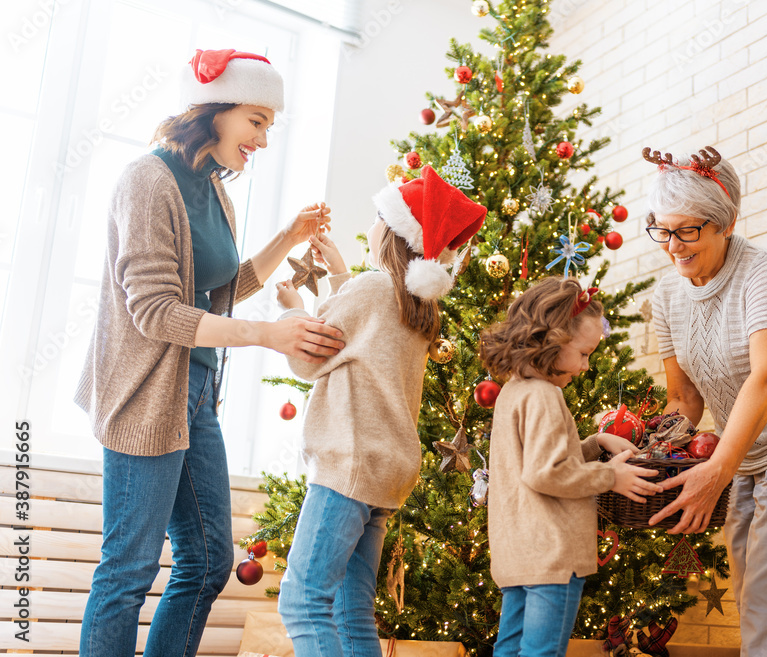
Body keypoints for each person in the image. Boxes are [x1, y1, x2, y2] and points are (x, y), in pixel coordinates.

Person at [75, 49, 345, 657]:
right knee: (128, 572)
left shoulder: (214, 191)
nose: (264, 139)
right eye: (256, 121)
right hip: (143, 397)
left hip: (193, 398)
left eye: (270, 126)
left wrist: (290, 237)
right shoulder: (147, 181)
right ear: (215, 111)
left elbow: (220, 290)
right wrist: (269, 334)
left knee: (209, 561)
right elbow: (157, 312)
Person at [274, 165, 487, 657]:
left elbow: (311, 358)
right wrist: (341, 277)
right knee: (351, 612)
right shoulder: (414, 303)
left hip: (348, 466)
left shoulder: (371, 291)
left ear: (391, 230)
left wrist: (290, 309)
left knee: (303, 603)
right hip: (384, 474)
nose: (371, 224)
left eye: (377, 216)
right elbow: (365, 342)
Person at [641, 146, 767, 656]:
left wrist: (717, 470)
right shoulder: (667, 296)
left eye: (687, 230)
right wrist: (646, 449)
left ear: (725, 223)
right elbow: (684, 400)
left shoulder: (766, 274)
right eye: (661, 229)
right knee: (757, 606)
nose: (673, 245)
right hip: (742, 462)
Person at [479, 276, 663, 657]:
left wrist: (596, 444)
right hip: (553, 554)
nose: (586, 365)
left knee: (509, 650)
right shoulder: (545, 395)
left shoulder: (515, 390)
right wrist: (612, 475)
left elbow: (535, 461)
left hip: (519, 553)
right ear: (552, 340)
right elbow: (546, 472)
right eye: (583, 353)